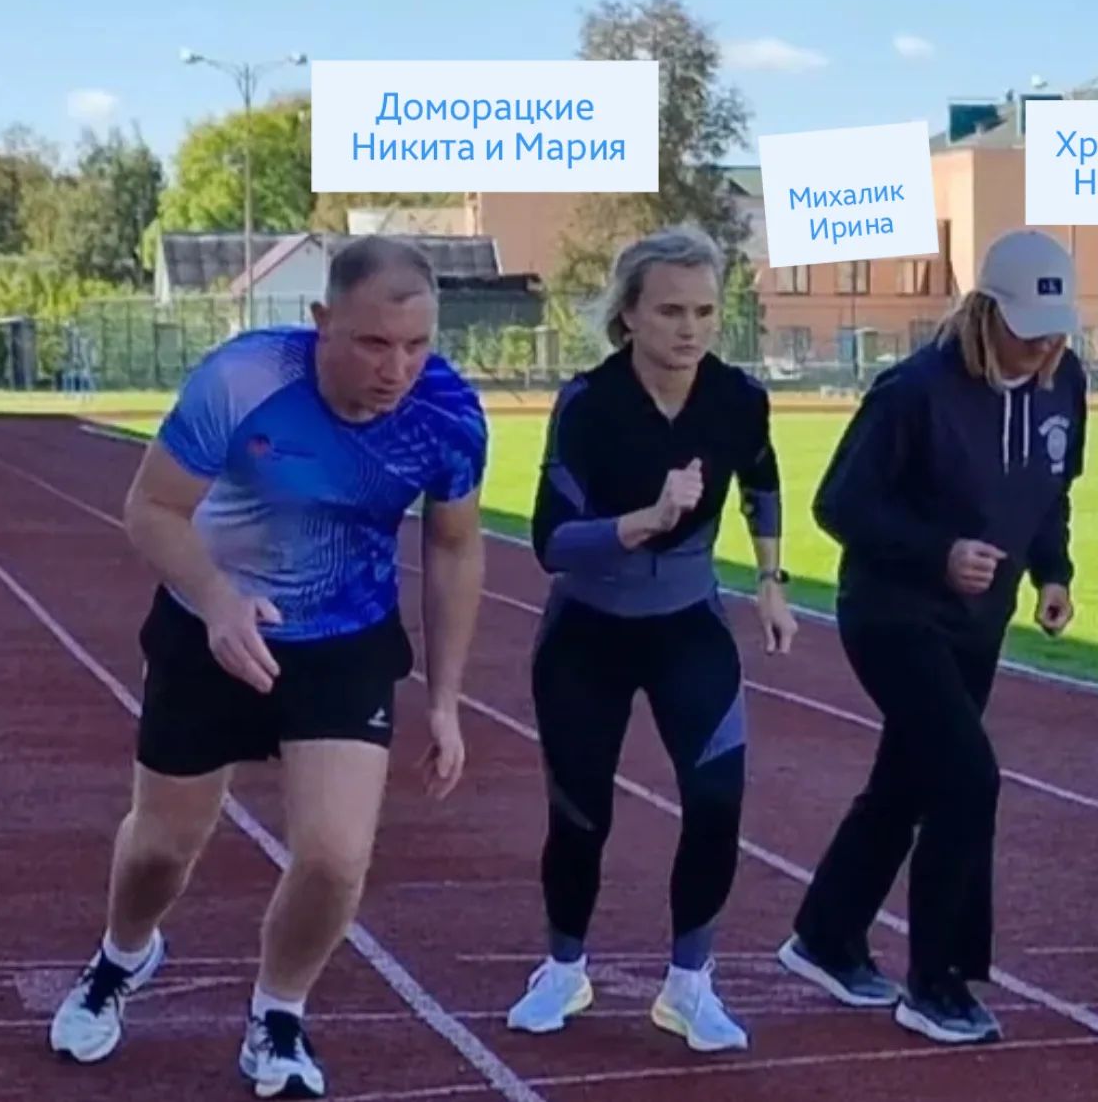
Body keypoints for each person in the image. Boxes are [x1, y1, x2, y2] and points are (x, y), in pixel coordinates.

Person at [47, 236, 491, 1098]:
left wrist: (446, 700)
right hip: (207, 627)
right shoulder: (244, 378)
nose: (396, 368)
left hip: (344, 640)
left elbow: (454, 547)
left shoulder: (446, 416)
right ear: (322, 320)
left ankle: (278, 1012)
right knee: (161, 848)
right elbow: (151, 506)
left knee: (335, 855)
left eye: (416, 344)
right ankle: (122, 956)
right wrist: (218, 600)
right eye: (373, 342)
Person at [775, 229, 1088, 1045]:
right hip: (893, 615)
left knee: (909, 781)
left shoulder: (1066, 382)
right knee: (967, 778)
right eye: (1029, 330)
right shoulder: (913, 390)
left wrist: (1053, 573)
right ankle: (938, 980)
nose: (1045, 346)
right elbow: (839, 503)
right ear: (986, 311)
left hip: (979, 625)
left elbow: (1050, 492)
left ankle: (826, 933)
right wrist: (938, 552)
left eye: (1056, 330)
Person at [505, 224, 797, 1053]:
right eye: (670, 310)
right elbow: (551, 541)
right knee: (580, 814)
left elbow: (762, 477)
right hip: (587, 632)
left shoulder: (738, 397)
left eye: (705, 311)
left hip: (688, 625)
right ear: (628, 314)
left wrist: (770, 578)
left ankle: (689, 985)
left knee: (716, 802)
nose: (690, 327)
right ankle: (564, 968)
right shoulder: (588, 403)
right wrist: (646, 519)